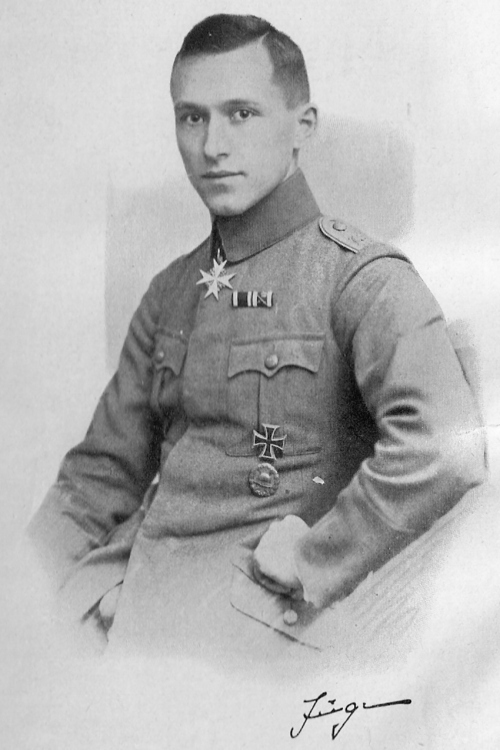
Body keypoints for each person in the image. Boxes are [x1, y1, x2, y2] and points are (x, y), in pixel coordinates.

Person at [27, 14, 486, 665]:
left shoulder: (361, 278)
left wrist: (316, 557)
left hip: (253, 652)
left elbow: (447, 446)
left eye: (241, 114)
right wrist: (22, 597)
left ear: (303, 126)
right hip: (124, 630)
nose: (212, 145)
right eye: (192, 117)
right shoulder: (172, 289)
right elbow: (99, 475)